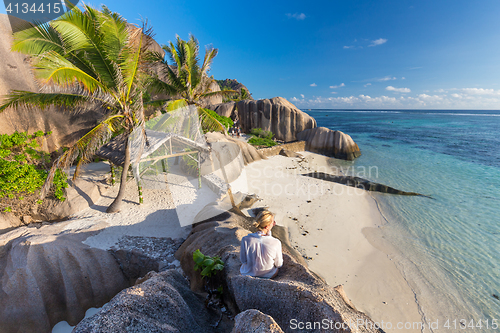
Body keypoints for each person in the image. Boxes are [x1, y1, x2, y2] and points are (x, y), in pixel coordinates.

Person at [240, 210, 283, 278]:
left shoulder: (245, 239)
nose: (274, 224)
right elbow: (279, 264)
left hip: (248, 273)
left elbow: (243, 260)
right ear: (267, 227)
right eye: (273, 222)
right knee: (276, 269)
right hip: (269, 275)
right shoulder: (276, 242)